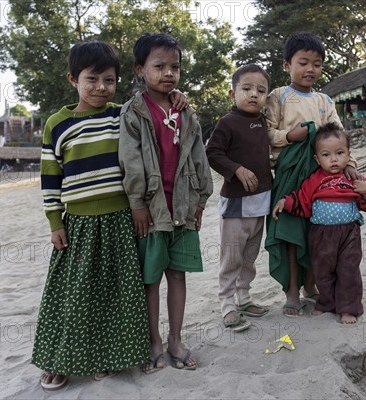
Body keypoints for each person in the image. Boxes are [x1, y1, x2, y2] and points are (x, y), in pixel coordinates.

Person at [33, 40, 152, 391]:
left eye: (110, 80)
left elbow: (157, 107)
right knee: (74, 297)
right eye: (93, 79)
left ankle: (112, 357)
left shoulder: (123, 114)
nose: (101, 87)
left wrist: (179, 98)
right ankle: (61, 360)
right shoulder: (57, 124)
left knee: (119, 293)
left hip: (120, 219)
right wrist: (55, 222)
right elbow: (50, 178)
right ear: (73, 79)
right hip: (78, 225)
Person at [119, 32, 213, 372]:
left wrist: (201, 200)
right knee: (151, 279)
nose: (168, 73)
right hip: (152, 210)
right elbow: (130, 160)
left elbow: (199, 158)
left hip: (183, 207)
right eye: (159, 66)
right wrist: (137, 203)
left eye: (174, 67)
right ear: (140, 69)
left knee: (178, 275)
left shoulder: (186, 113)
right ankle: (154, 341)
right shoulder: (133, 112)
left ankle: (175, 339)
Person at [264, 32, 361, 317]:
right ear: (286, 65)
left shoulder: (324, 101)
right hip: (289, 176)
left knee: (316, 234)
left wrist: (351, 163)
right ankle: (292, 292)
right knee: (291, 233)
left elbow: (339, 136)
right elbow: (266, 134)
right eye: (303, 62)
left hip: (322, 177)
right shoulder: (278, 97)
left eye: (317, 64)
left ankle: (311, 286)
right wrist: (289, 136)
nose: (310, 69)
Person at [272, 123, 366, 324]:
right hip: (321, 234)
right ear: (317, 159)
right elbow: (302, 201)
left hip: (349, 233)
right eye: (326, 155)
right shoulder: (314, 180)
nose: (333, 159)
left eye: (339, 153)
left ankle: (348, 308)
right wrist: (286, 202)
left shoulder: (353, 179)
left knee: (348, 270)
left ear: (349, 155)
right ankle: (326, 303)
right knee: (322, 270)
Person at [206, 64, 273, 332]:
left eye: (260, 90)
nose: (253, 94)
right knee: (231, 256)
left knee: (250, 255)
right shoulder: (227, 122)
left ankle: (244, 298)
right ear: (232, 92)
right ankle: (227, 305)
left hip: (261, 202)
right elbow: (213, 153)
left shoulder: (264, 121)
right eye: (246, 89)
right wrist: (236, 169)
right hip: (235, 204)